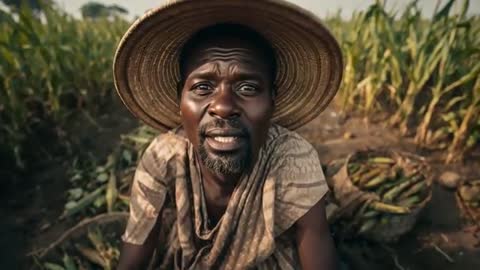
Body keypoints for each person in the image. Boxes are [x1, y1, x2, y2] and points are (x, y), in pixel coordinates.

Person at [113, 0, 343, 269]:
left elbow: (315, 239)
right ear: (180, 98)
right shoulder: (164, 157)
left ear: (272, 100)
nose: (223, 106)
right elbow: (136, 250)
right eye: (202, 87)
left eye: (247, 88)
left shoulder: (291, 159)